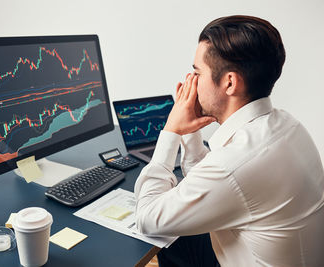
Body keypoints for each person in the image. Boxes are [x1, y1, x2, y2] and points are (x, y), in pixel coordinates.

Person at [134, 15, 324, 267]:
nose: (192, 83)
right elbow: (206, 183)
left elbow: (148, 220)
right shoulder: (286, 125)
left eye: (197, 73)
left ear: (230, 82)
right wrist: (189, 131)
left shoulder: (235, 163)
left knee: (165, 237)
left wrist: (171, 130)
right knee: (181, 235)